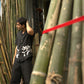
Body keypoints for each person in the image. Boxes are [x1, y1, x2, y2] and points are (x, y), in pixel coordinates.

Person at [10, 17, 34, 84]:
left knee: (28, 80)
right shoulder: (18, 34)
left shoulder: (29, 33)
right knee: (14, 80)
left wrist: (27, 23)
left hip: (26, 60)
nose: (17, 26)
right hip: (17, 60)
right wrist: (14, 58)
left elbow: (29, 31)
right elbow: (17, 47)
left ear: (23, 25)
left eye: (18, 24)